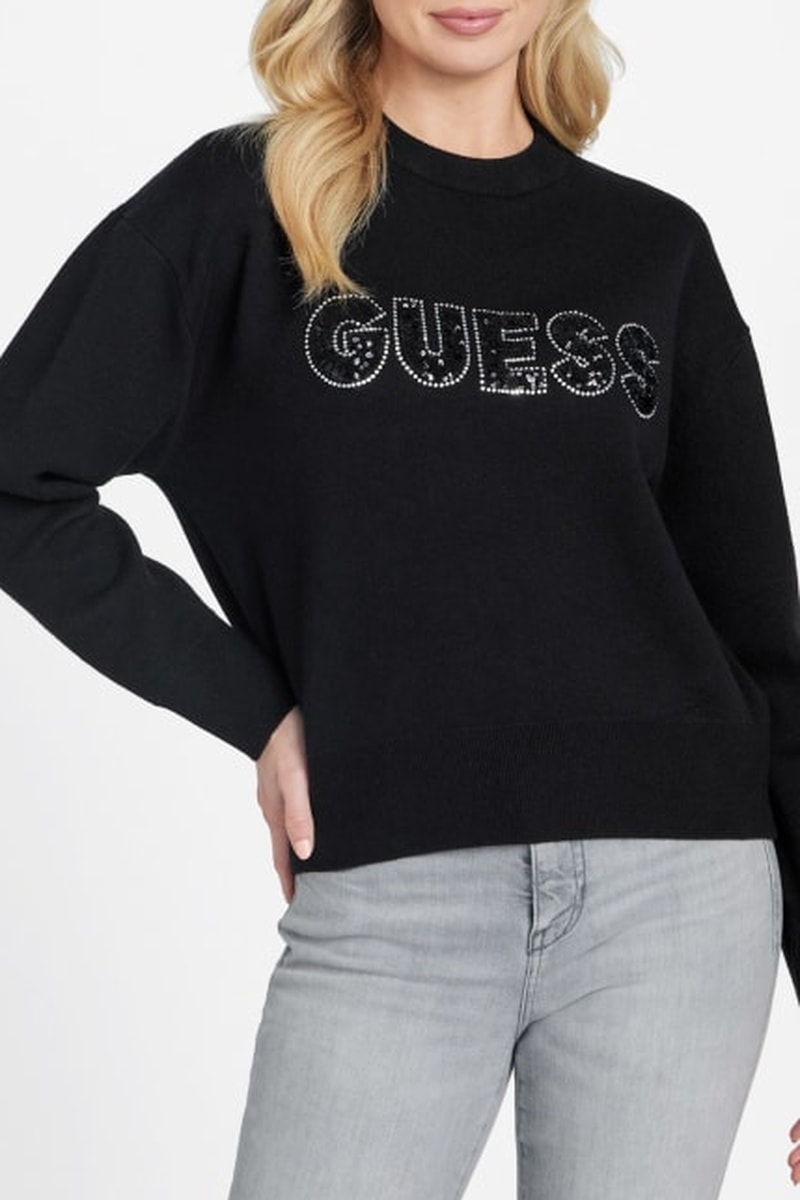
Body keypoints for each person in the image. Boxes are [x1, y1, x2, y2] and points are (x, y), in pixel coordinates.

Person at [1, 0, 799, 1195]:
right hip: (391, 892)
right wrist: (256, 712)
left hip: (678, 891)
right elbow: (19, 478)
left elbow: (763, 641)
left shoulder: (654, 246)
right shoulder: (244, 207)